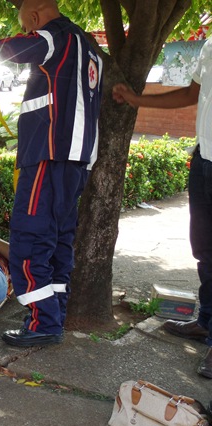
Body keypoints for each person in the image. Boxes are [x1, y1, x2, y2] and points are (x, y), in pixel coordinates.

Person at [0, 0, 103, 347]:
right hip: (76, 159)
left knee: (29, 239)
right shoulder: (89, 45)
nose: (28, 31)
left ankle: (43, 322)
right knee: (57, 241)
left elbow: (24, 47)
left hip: (48, 153)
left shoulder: (56, 35)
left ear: (37, 15)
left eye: (27, 25)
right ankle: (52, 315)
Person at [113, 37, 212, 378]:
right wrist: (136, 99)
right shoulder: (211, 44)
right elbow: (190, 94)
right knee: (204, 250)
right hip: (205, 160)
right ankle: (207, 322)